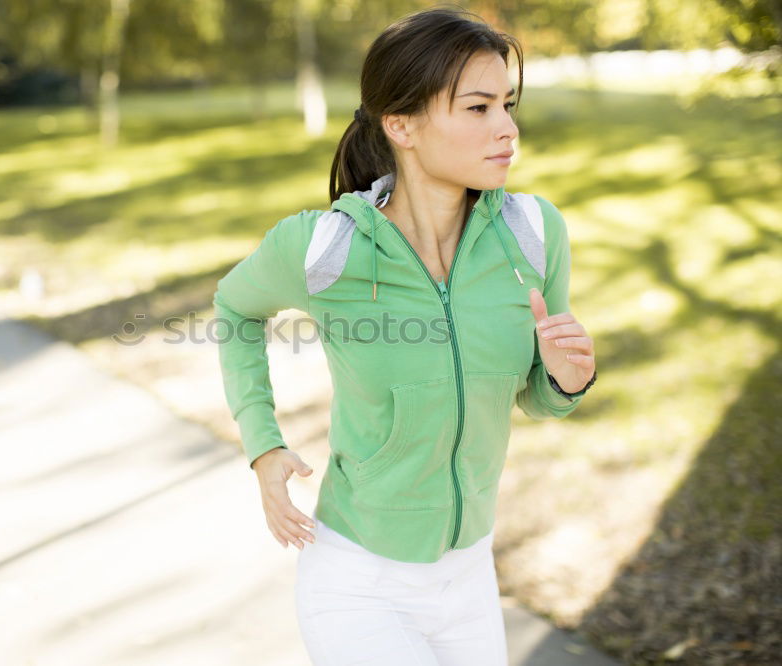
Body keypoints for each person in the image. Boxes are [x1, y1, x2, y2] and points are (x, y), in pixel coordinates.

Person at [212, 6, 597, 665]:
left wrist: (568, 378)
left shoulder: (535, 235)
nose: (507, 130)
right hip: (360, 580)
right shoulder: (325, 248)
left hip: (471, 578)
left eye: (508, 104)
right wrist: (262, 444)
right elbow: (233, 309)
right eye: (478, 109)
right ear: (400, 124)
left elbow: (537, 396)